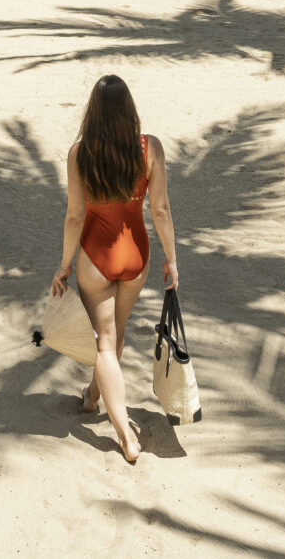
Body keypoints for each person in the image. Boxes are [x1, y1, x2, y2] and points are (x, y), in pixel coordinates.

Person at [47, 74, 177, 463]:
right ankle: (92, 396)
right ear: (129, 111)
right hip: (136, 253)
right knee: (114, 334)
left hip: (95, 257)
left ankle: (124, 434)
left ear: (94, 113)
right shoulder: (148, 148)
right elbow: (160, 210)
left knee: (104, 340)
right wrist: (172, 258)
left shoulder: (79, 154)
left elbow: (74, 216)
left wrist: (65, 264)